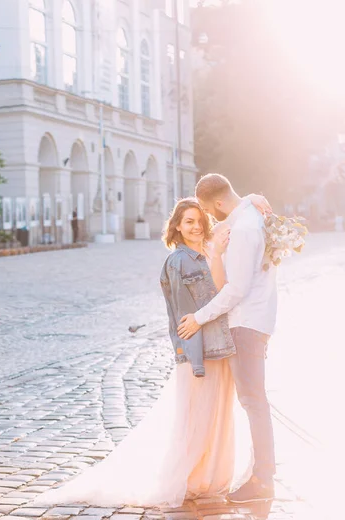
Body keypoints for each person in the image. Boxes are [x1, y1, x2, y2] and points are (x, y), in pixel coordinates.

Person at [34, 194, 270, 509]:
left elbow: (229, 213)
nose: (196, 227)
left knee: (216, 419)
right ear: (177, 227)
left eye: (200, 221)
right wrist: (192, 359)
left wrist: (251, 198)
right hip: (200, 355)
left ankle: (208, 478)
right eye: (189, 222)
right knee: (193, 420)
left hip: (221, 350)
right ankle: (186, 478)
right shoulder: (178, 261)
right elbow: (182, 316)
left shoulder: (211, 250)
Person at [178, 174, 277, 504]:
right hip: (251, 321)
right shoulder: (249, 215)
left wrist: (199, 317)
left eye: (208, 210)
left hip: (245, 324)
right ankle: (260, 474)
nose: (210, 217)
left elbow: (236, 288)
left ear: (218, 204)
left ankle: (263, 480)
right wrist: (251, 196)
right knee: (253, 401)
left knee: (253, 402)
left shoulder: (245, 229)